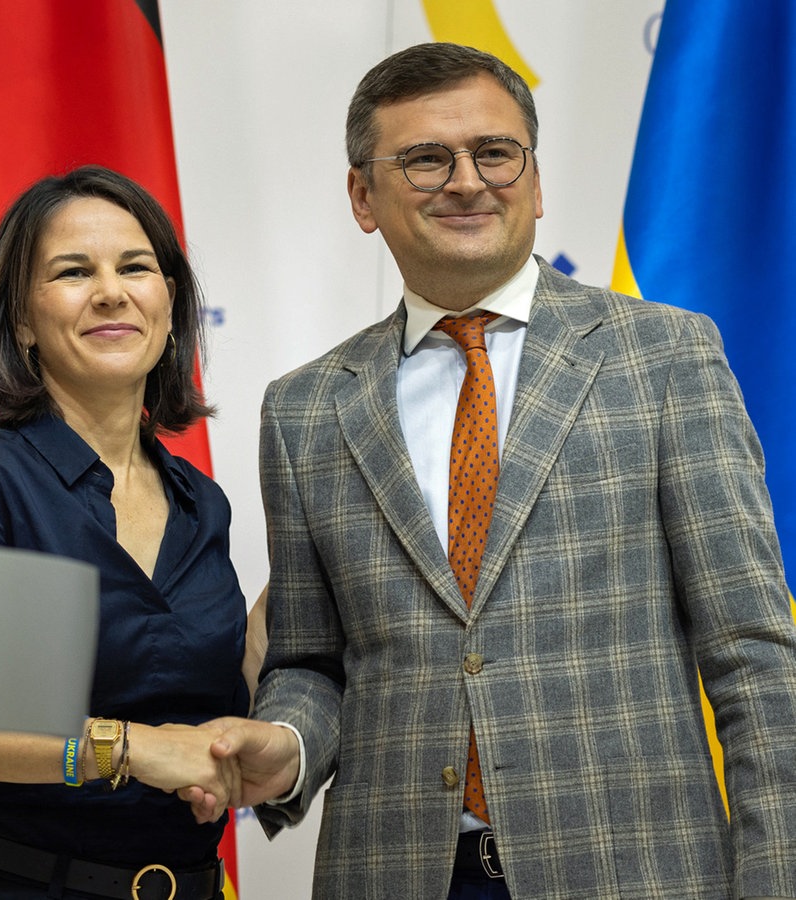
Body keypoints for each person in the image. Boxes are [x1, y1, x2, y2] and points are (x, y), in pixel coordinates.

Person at [181, 43, 796, 899]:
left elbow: (755, 655)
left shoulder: (665, 357)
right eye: (426, 158)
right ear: (363, 195)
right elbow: (310, 661)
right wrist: (283, 747)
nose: (466, 181)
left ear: (536, 183)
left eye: (494, 153)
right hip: (393, 872)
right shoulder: (306, 408)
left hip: (640, 873)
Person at [0, 165, 264, 900]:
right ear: (24, 321)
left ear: (169, 305)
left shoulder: (202, 503)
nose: (111, 291)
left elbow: (208, 697)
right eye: (73, 271)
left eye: (136, 266)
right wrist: (130, 750)